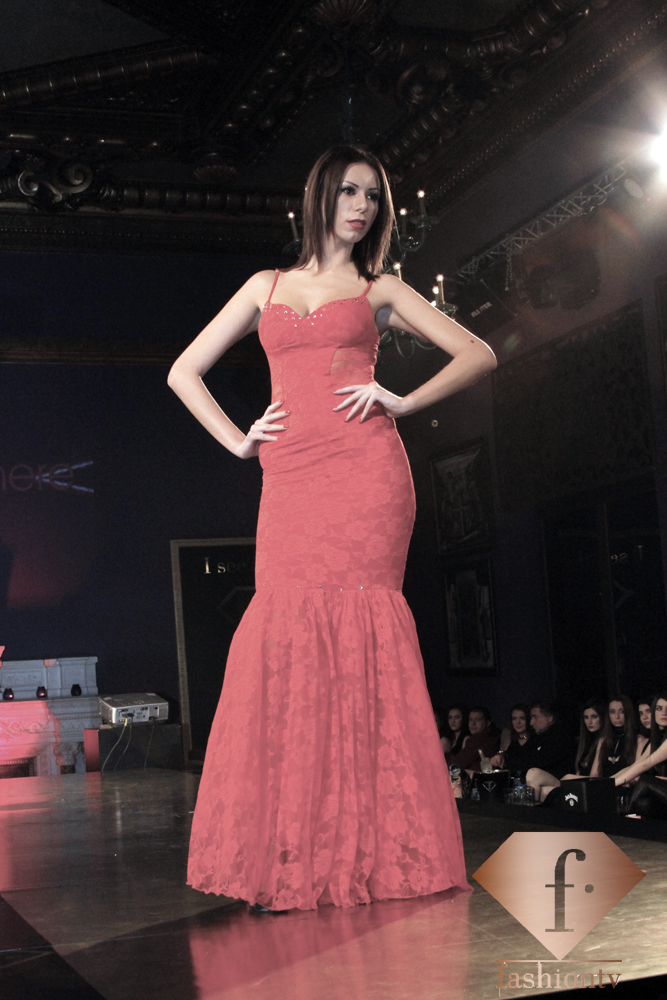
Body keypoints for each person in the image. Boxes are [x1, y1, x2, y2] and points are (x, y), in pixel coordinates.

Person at [168, 145, 497, 911]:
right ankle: (294, 854)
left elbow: (477, 353)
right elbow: (184, 370)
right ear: (321, 195)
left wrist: (402, 401)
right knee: (284, 632)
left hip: (366, 474)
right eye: (350, 192)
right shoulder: (265, 286)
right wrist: (238, 440)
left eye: (373, 197)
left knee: (363, 632)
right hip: (290, 476)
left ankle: (373, 854)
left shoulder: (381, 289)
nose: (361, 207)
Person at [524, 700, 573, 801]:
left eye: (535, 717)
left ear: (550, 718)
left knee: (534, 774)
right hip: (547, 783)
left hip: (563, 781)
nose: (531, 722)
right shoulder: (536, 737)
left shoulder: (561, 736)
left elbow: (539, 761)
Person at [590, 694, 647, 778]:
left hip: (625, 783)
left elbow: (637, 775)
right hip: (603, 784)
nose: (617, 716)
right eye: (612, 712)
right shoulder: (603, 740)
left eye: (621, 711)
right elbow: (594, 774)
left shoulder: (639, 740)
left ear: (628, 712)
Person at [446, 706, 500, 776]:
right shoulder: (492, 735)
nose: (473, 723)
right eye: (470, 720)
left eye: (478, 720)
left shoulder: (478, 739)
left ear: (487, 723)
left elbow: (459, 762)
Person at [490, 703, 531, 773]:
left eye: (522, 718)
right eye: (514, 718)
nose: (518, 722)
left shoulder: (534, 740)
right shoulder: (513, 742)